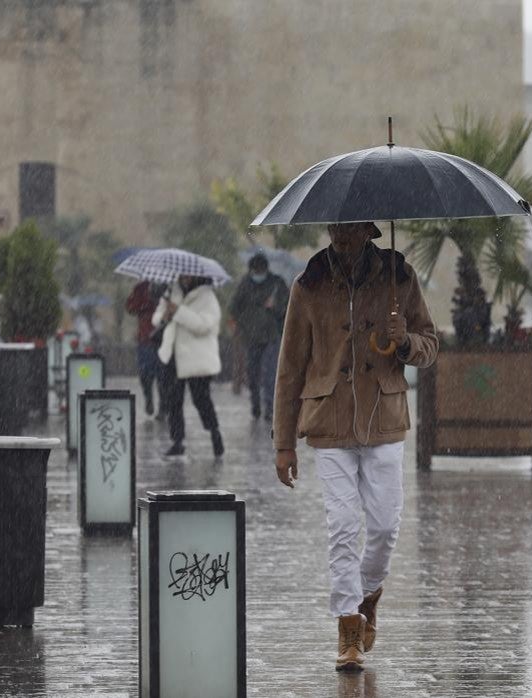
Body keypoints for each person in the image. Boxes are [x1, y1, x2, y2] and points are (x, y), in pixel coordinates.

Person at [272, 221, 438, 672]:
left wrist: (404, 340)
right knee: (343, 524)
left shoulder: (398, 277)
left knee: (385, 526)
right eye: (334, 228)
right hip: (328, 420)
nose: (340, 236)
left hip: (383, 417)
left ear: (368, 230)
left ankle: (369, 593)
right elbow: (290, 367)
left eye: (349, 229)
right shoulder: (308, 284)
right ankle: (348, 627)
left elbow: (430, 345)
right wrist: (283, 443)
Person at [154, 274, 224, 457]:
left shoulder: (207, 297)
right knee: (173, 401)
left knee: (201, 399)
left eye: (188, 275)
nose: (184, 278)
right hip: (173, 355)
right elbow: (157, 318)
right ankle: (177, 441)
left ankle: (214, 432)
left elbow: (204, 325)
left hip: (197, 358)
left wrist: (179, 312)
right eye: (182, 275)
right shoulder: (171, 292)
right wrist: (165, 316)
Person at [229, 254, 290, 420]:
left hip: (271, 336)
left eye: (260, 270)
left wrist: (275, 306)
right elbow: (234, 308)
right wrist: (244, 322)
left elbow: (288, 309)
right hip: (251, 338)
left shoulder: (277, 284)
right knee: (253, 373)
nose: (257, 274)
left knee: (270, 374)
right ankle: (255, 404)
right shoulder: (245, 284)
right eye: (255, 271)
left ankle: (269, 407)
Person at [125, 280, 165, 416]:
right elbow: (130, 307)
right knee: (145, 373)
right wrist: (145, 303)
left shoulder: (169, 287)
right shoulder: (141, 288)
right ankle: (148, 397)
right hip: (146, 337)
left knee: (163, 375)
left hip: (164, 338)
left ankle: (163, 406)